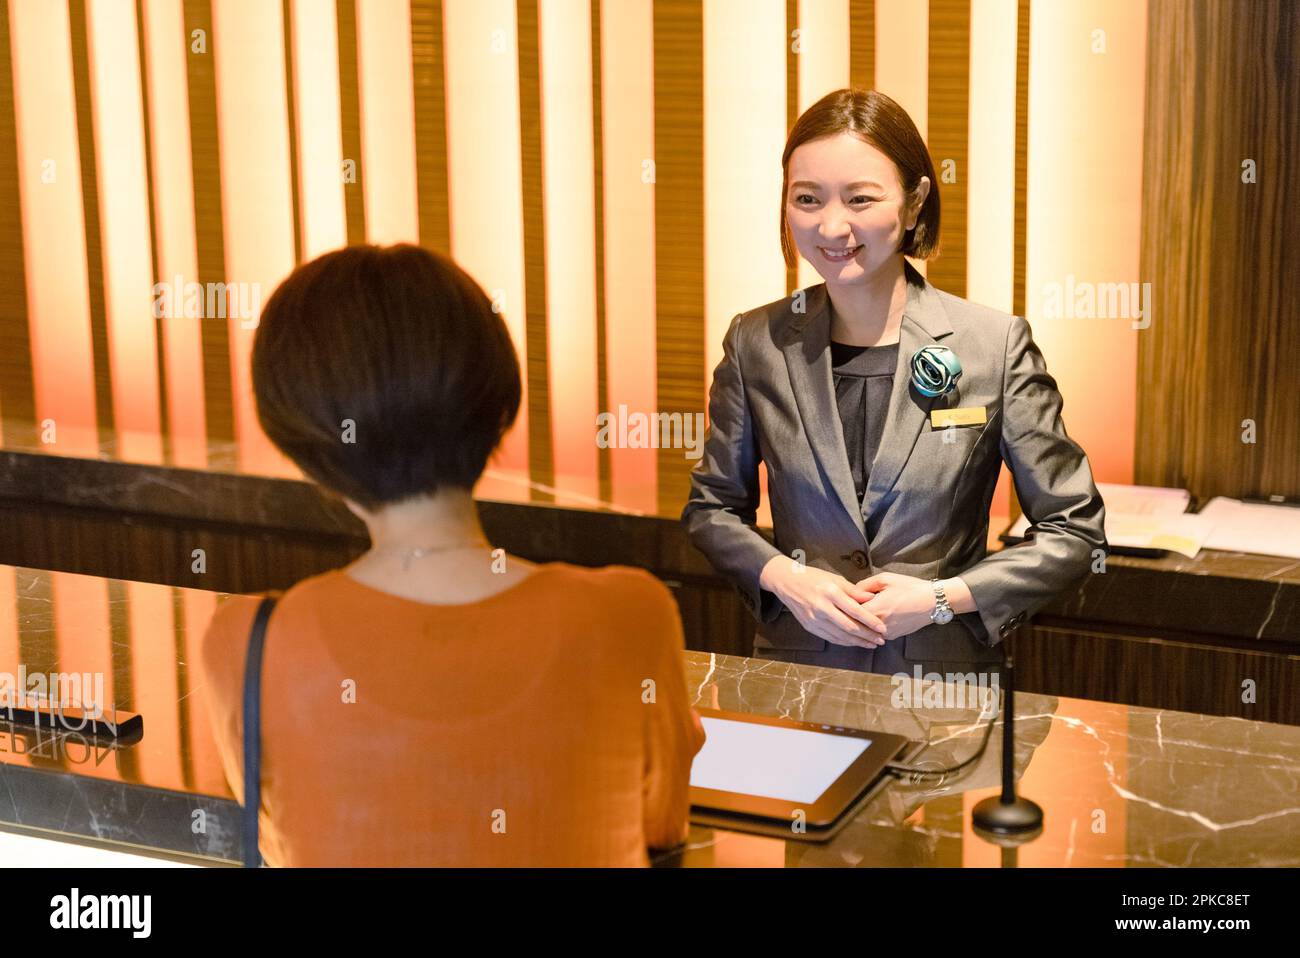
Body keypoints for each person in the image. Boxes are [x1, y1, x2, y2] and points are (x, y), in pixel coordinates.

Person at [199, 243, 704, 866]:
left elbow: (284, 842)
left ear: (304, 453)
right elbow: (662, 826)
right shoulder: (632, 614)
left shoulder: (247, 643)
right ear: (496, 412)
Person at [681, 88, 1107, 676]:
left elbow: (1074, 530)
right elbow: (712, 509)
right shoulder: (757, 342)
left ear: (914, 203)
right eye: (807, 199)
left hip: (942, 687)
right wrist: (789, 578)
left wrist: (940, 599)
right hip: (799, 680)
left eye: (860, 198)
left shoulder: (993, 345)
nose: (832, 225)